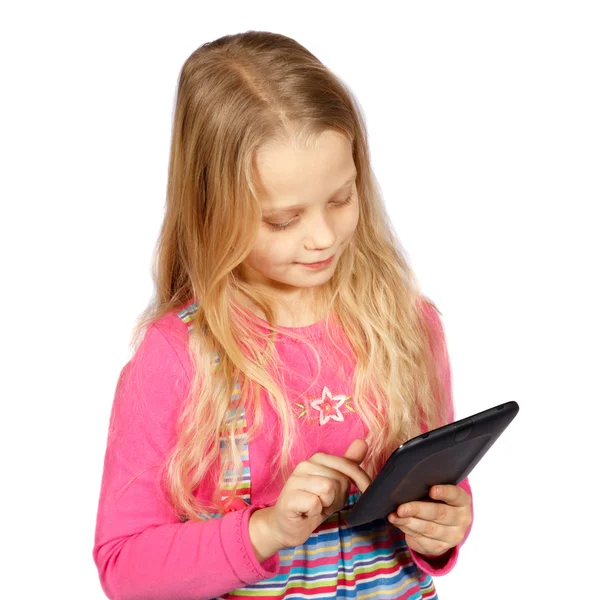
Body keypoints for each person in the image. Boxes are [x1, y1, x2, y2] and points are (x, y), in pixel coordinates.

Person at [93, 30, 473, 600]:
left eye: (341, 199)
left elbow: (436, 494)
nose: (321, 237)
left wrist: (440, 531)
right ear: (211, 208)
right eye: (282, 219)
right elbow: (124, 571)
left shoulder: (406, 326)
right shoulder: (178, 357)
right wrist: (265, 530)